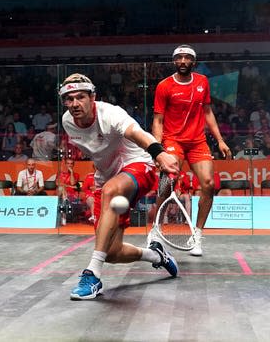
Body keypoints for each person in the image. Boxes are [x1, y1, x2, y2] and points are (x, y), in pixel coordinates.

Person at [59, 73, 180, 300]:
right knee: (112, 252)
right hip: (106, 178)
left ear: (92, 97)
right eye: (69, 99)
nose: (74, 104)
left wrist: (159, 153)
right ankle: (156, 256)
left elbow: (136, 133)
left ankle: (92, 274)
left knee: (110, 191)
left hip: (138, 166)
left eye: (80, 97)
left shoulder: (110, 113)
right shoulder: (68, 121)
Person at [151, 44, 232, 257]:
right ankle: (155, 230)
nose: (183, 61)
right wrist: (157, 150)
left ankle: (196, 235)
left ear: (193, 62)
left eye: (187, 58)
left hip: (197, 141)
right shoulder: (164, 86)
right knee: (167, 183)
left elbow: (207, 112)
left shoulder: (202, 82)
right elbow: (158, 120)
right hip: (172, 140)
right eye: (179, 58)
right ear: (174, 61)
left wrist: (220, 140)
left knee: (208, 183)